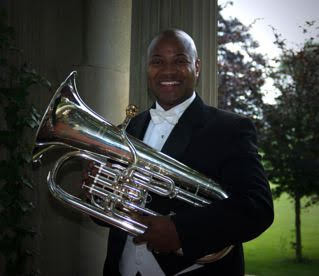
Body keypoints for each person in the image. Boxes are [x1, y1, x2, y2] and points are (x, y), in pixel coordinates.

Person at [88, 29, 274, 276]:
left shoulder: (231, 128)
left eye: (179, 60)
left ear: (196, 67)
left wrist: (181, 231)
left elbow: (257, 208)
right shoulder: (129, 127)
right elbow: (110, 213)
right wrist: (98, 194)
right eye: (157, 62)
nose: (167, 71)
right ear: (147, 69)